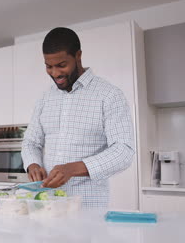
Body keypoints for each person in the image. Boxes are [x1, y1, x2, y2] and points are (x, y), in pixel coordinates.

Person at [21, 27, 135, 208]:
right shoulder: (45, 98)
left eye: (61, 65)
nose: (55, 73)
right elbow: (31, 142)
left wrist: (72, 169)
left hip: (88, 206)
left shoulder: (109, 95)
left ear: (78, 56)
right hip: (47, 205)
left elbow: (124, 151)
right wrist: (32, 163)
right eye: (49, 66)